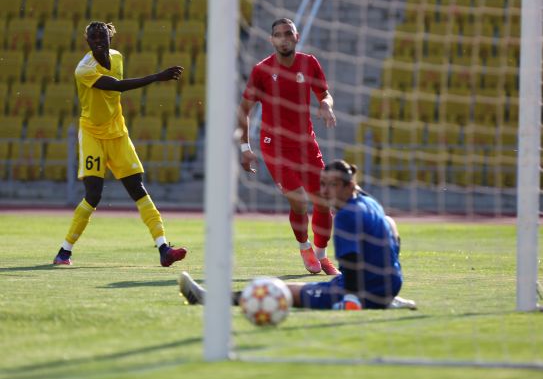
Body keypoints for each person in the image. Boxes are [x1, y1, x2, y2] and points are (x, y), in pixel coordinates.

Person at [178, 159, 417, 310]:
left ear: (349, 186)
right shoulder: (369, 202)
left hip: (363, 291)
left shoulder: (345, 216)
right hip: (391, 282)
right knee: (388, 221)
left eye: (332, 185)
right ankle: (384, 298)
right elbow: (389, 227)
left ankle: (209, 300)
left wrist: (350, 298)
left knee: (280, 290)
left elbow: (352, 276)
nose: (324, 190)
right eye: (323, 183)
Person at [53, 21, 187, 267]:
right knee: (93, 195)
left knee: (138, 188)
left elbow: (113, 96)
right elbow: (115, 87)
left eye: (102, 35)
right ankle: (64, 251)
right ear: (87, 42)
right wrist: (157, 76)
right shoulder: (83, 69)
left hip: (118, 133)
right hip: (92, 134)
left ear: (110, 36)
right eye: (93, 38)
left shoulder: (117, 58)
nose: (98, 40)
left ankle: (164, 248)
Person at [237, 17, 339, 275]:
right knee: (299, 202)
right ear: (272, 40)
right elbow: (244, 110)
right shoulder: (262, 71)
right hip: (275, 147)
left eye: (287, 33)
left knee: (323, 201)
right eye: (278, 34)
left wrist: (326, 104)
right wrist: (244, 148)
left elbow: (324, 93)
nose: (283, 38)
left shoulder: (309, 63)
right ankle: (304, 246)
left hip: (306, 144)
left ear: (296, 37)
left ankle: (322, 256)